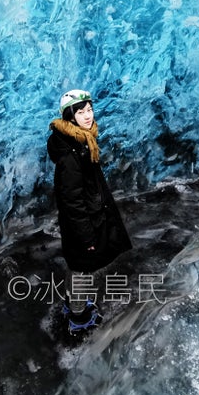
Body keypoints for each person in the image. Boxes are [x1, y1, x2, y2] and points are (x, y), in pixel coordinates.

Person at [47, 89, 132, 334]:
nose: (87, 116)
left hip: (88, 215)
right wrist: (87, 236)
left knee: (79, 266)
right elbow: (72, 201)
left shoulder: (80, 140)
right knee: (82, 268)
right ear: (70, 116)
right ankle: (79, 317)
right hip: (82, 223)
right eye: (81, 112)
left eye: (89, 110)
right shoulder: (70, 157)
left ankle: (73, 304)